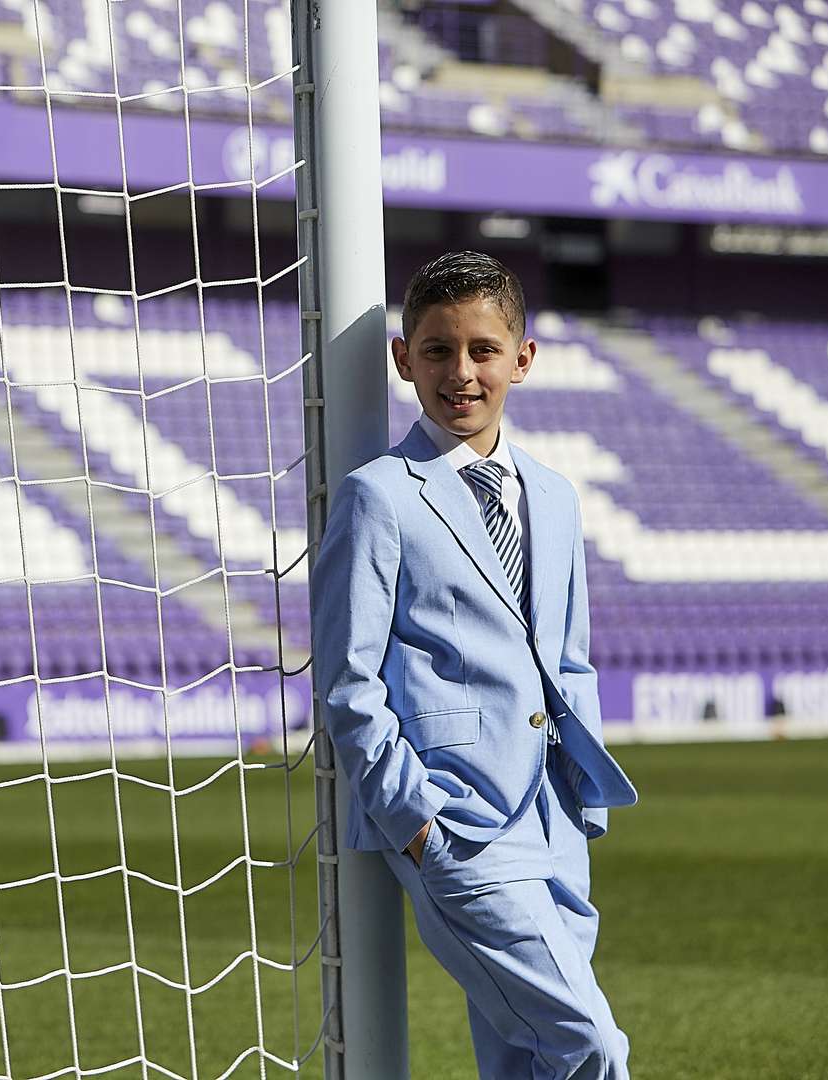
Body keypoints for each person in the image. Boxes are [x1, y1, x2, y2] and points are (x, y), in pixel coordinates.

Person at [310, 251, 638, 1078]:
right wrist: (418, 823)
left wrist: (581, 807)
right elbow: (348, 684)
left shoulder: (557, 496)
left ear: (521, 360)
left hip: (555, 822)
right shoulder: (379, 495)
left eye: (484, 350)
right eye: (437, 351)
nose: (461, 372)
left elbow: (569, 659)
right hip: (457, 825)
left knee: (527, 1062)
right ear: (403, 359)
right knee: (589, 1043)